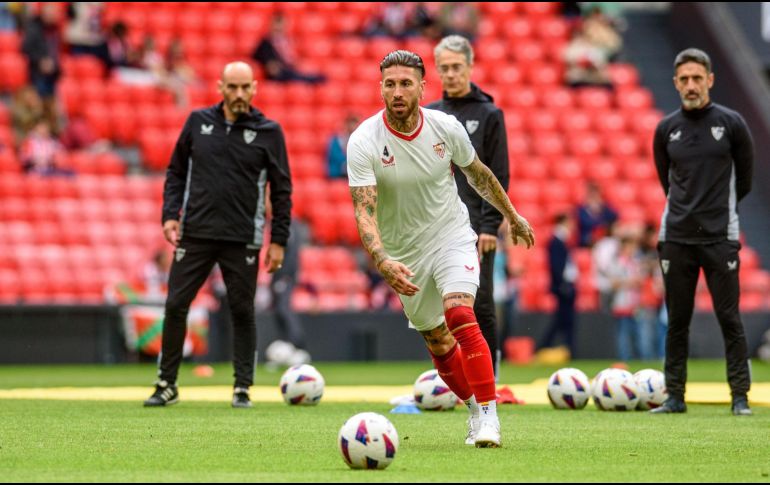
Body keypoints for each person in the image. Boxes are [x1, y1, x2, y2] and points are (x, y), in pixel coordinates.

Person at [347, 50, 534, 448]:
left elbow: (480, 175)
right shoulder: (364, 140)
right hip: (404, 255)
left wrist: (512, 217)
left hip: (451, 235)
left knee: (460, 311)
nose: (397, 91)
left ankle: (489, 415)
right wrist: (382, 259)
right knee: (437, 341)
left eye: (405, 83)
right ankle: (473, 409)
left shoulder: (444, 127)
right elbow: (364, 211)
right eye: (390, 84)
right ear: (381, 87)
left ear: (421, 87)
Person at [143, 61, 292, 409]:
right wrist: (170, 216)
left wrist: (279, 240)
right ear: (220, 87)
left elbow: (282, 189)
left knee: (241, 310)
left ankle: (242, 388)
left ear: (254, 88)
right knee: (176, 304)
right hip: (196, 233)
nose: (239, 94)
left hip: (244, 237)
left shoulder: (269, 131)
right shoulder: (198, 123)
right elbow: (176, 171)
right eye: (232, 87)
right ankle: (166, 384)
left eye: (245, 88)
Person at [650, 48, 753, 416]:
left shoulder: (732, 124)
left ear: (710, 80)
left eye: (698, 78)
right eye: (685, 79)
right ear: (676, 83)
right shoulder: (666, 128)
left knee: (730, 318)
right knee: (677, 320)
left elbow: (745, 180)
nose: (691, 85)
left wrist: (713, 213)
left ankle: (739, 397)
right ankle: (675, 396)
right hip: (676, 238)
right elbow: (667, 181)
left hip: (719, 237)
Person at [426, 35, 509, 379]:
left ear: (470, 67)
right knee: (435, 308)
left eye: (456, 67)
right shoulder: (429, 114)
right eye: (444, 68)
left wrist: (491, 225)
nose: (450, 74)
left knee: (481, 303)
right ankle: (452, 376)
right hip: (434, 224)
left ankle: (490, 377)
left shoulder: (489, 114)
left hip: (476, 228)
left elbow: (498, 172)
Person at [539, 213, 578, 358]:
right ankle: (564, 349)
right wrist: (562, 284)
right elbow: (556, 266)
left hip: (565, 286)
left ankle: (551, 347)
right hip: (563, 287)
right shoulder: (556, 241)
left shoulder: (562, 241)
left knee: (563, 320)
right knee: (564, 320)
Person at [251, 13, 326, 84]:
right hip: (279, 74)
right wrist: (267, 63)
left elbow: (292, 59)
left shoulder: (286, 41)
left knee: (301, 76)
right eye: (277, 25)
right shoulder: (265, 42)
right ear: (271, 25)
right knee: (301, 78)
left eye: (281, 25)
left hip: (288, 70)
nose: (279, 28)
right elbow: (257, 56)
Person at [576, 181, 618, 247]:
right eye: (592, 195)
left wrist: (603, 208)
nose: (594, 197)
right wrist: (593, 212)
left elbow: (614, 216)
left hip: (603, 239)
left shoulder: (604, 208)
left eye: (596, 195)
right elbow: (586, 223)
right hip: (587, 241)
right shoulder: (581, 209)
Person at [326, 113, 359, 179]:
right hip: (338, 174)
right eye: (351, 123)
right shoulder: (337, 140)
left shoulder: (360, 141)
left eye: (355, 123)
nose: (353, 126)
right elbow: (335, 156)